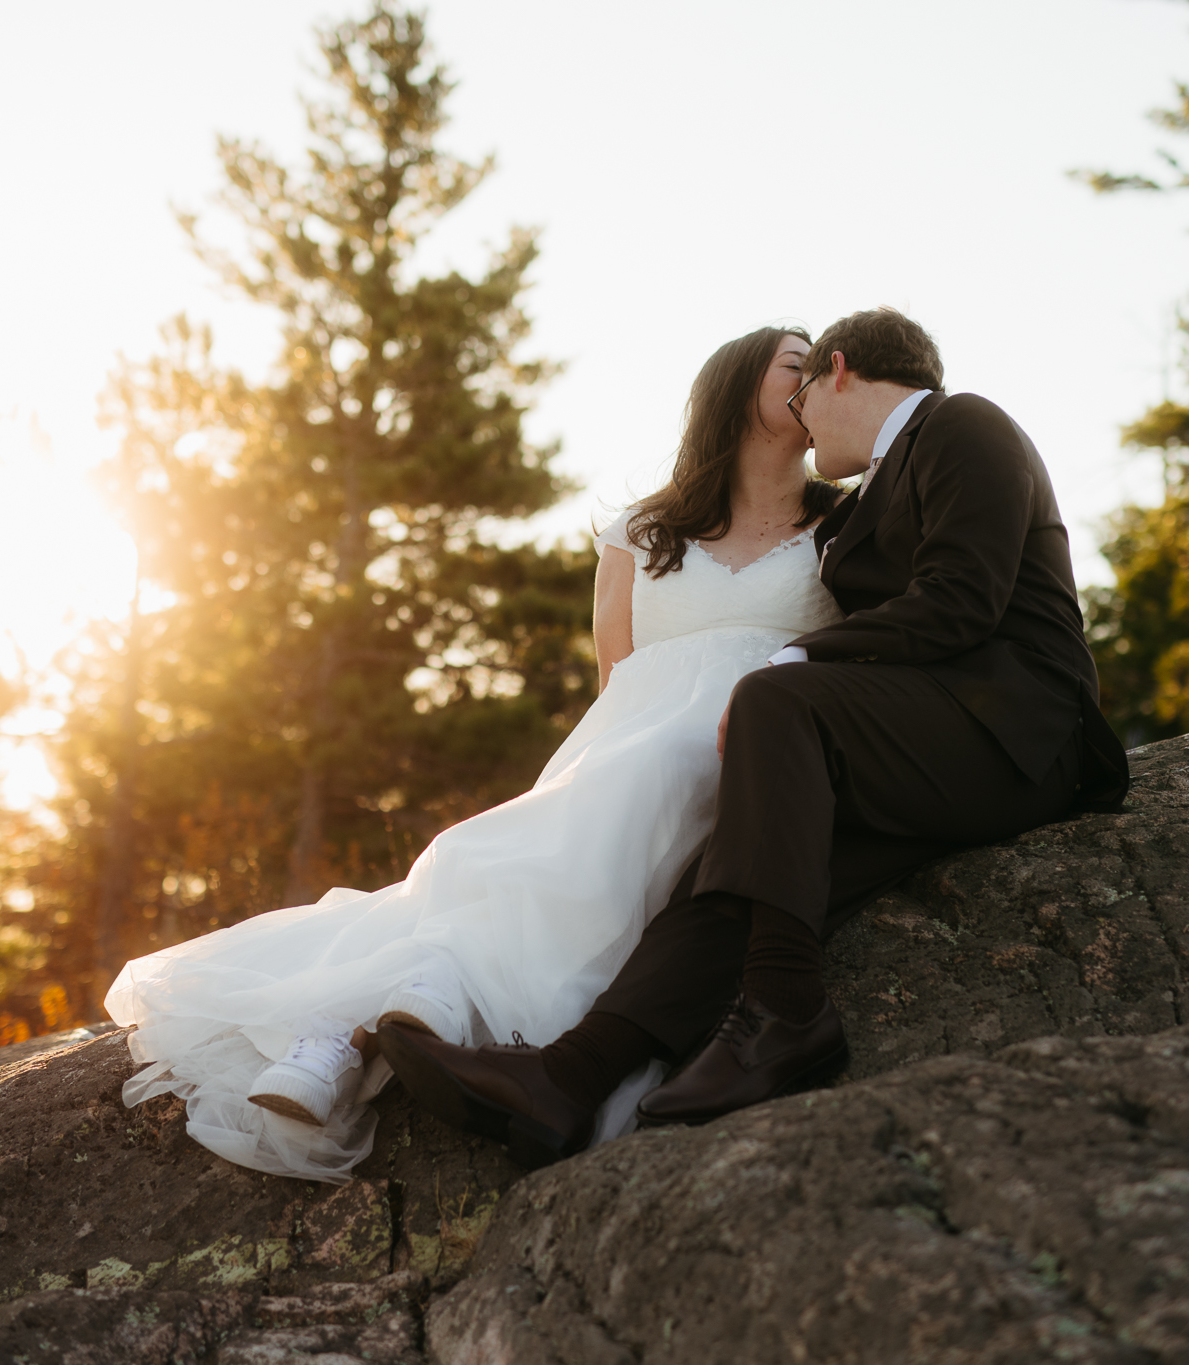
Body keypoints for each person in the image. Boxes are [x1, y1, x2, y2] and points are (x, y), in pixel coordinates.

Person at [379, 307, 1131, 1166]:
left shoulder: (962, 423)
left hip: (1020, 729)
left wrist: (792, 658)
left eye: (807, 391)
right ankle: (568, 1079)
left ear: (838, 371)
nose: (803, 421)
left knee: (779, 702)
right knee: (737, 871)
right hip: (929, 753)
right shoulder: (863, 505)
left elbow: (962, 599)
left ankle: (786, 1011)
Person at [104, 325, 848, 1182]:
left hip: (753, 742)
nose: (815, 376)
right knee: (524, 845)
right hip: (628, 743)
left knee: (615, 820)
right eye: (796, 363)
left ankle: (382, 1019)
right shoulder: (643, 529)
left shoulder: (841, 524)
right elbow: (619, 677)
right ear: (735, 386)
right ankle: (358, 1031)